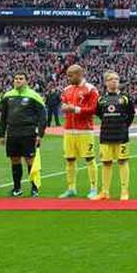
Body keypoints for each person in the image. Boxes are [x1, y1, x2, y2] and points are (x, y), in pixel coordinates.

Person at [0, 72, 45, 197]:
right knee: (14, 160)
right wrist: (2, 134)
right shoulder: (8, 96)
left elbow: (42, 117)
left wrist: (40, 134)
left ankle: (34, 188)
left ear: (26, 81)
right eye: (16, 79)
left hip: (28, 132)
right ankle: (17, 188)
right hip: (12, 132)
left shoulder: (34, 96)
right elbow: (3, 117)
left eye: (21, 79)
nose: (18, 81)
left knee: (30, 160)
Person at [59, 64, 100, 199]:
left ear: (79, 74)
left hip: (85, 130)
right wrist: (65, 108)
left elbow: (94, 109)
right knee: (69, 159)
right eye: (68, 75)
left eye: (71, 75)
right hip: (69, 130)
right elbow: (64, 104)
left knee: (89, 158)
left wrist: (75, 109)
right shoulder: (66, 90)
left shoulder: (91, 89)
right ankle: (71, 188)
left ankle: (93, 188)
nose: (69, 78)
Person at [94, 71, 135, 201]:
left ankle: (124, 191)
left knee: (122, 161)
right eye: (111, 79)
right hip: (106, 135)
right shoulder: (101, 99)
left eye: (116, 79)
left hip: (121, 135)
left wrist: (124, 126)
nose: (114, 81)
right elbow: (99, 114)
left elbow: (131, 114)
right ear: (106, 82)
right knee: (106, 163)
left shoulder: (125, 98)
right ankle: (105, 192)